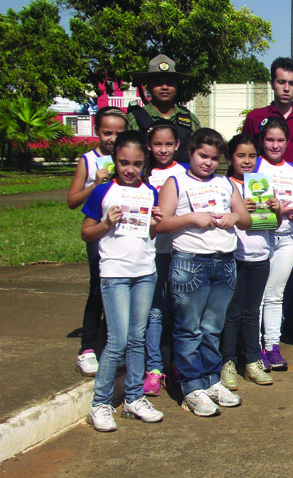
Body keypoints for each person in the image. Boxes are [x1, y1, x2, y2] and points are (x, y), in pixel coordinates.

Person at [156, 128, 251, 417]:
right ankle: (191, 387)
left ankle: (211, 379)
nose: (208, 163)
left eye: (214, 158)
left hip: (224, 262)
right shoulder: (176, 182)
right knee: (189, 328)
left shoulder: (225, 184)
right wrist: (190, 219)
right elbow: (159, 224)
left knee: (212, 328)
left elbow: (246, 219)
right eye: (202, 156)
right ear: (191, 153)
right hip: (190, 263)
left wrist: (235, 216)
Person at [81, 130, 164, 431]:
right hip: (115, 274)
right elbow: (86, 232)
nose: (130, 169)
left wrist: (155, 224)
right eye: (124, 162)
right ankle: (100, 404)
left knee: (137, 338)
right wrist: (106, 223)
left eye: (137, 163)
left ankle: (134, 397)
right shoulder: (103, 192)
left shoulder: (149, 191)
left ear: (145, 163)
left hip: (144, 272)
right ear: (114, 160)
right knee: (116, 340)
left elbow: (149, 235)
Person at [67, 106, 128, 377]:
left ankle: (111, 343)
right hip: (99, 232)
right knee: (99, 286)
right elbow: (72, 201)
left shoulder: (130, 159)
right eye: (107, 132)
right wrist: (96, 184)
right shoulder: (89, 160)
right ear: (96, 132)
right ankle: (88, 348)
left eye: (119, 133)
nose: (112, 138)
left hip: (127, 234)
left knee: (123, 288)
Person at [220, 134, 277, 389]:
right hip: (234, 256)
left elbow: (275, 224)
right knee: (232, 312)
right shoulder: (224, 184)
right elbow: (219, 217)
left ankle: (252, 361)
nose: (246, 161)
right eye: (240, 155)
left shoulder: (263, 183)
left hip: (260, 255)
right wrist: (239, 208)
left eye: (252, 156)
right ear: (230, 158)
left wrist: (276, 209)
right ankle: (228, 362)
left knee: (252, 311)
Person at [254, 117, 293, 370]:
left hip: (287, 237)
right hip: (260, 237)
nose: (275, 145)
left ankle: (272, 346)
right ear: (262, 140)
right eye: (270, 140)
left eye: (280, 140)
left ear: (287, 141)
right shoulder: (254, 165)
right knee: (258, 297)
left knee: (276, 295)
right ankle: (254, 348)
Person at [142, 120, 189, 397]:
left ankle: (177, 364)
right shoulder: (142, 174)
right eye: (157, 144)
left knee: (180, 310)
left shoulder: (184, 173)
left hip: (181, 250)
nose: (163, 149)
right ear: (149, 146)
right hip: (151, 252)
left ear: (178, 145)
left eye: (168, 144)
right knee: (156, 311)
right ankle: (154, 368)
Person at [242, 57, 293, 170]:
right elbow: (244, 155)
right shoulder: (254, 117)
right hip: (260, 185)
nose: (286, 88)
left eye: (292, 83)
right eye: (281, 82)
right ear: (272, 84)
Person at [128, 54, 201, 163]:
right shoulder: (134, 119)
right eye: (158, 83)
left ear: (177, 85)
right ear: (148, 86)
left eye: (170, 83)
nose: (165, 87)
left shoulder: (190, 120)